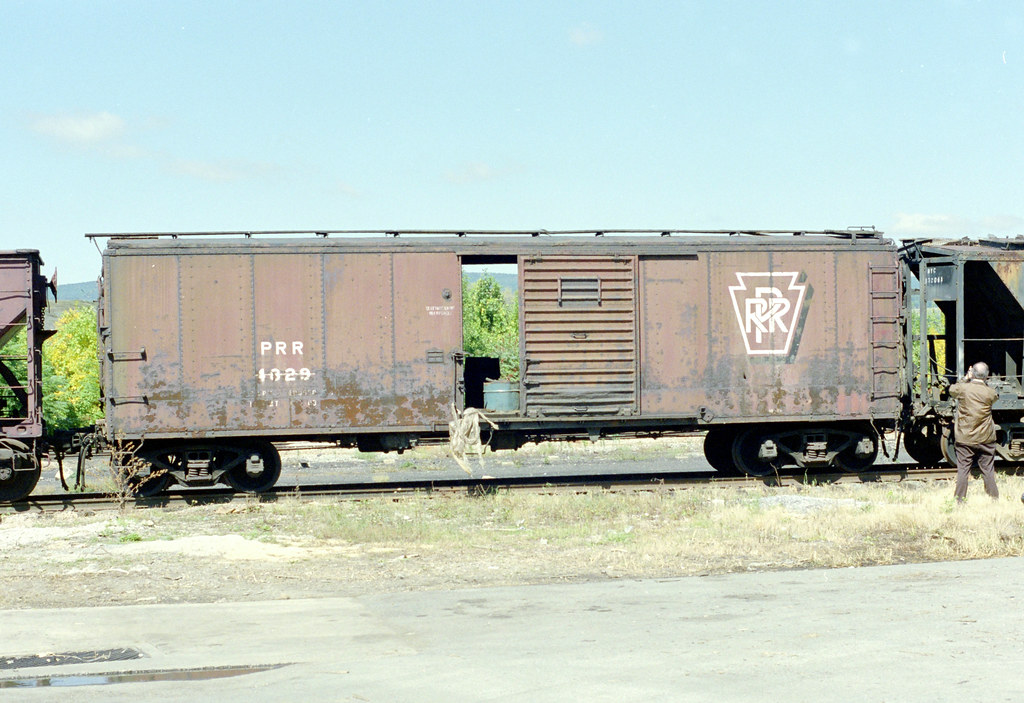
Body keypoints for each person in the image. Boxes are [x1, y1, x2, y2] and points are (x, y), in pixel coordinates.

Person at [948, 362, 1000, 502]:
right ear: (987, 375)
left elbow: (952, 390)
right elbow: (994, 396)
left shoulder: (963, 389)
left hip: (965, 437)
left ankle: (959, 501)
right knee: (988, 470)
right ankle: (994, 499)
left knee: (963, 471)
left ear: (972, 373)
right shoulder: (990, 392)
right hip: (986, 437)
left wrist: (966, 377)